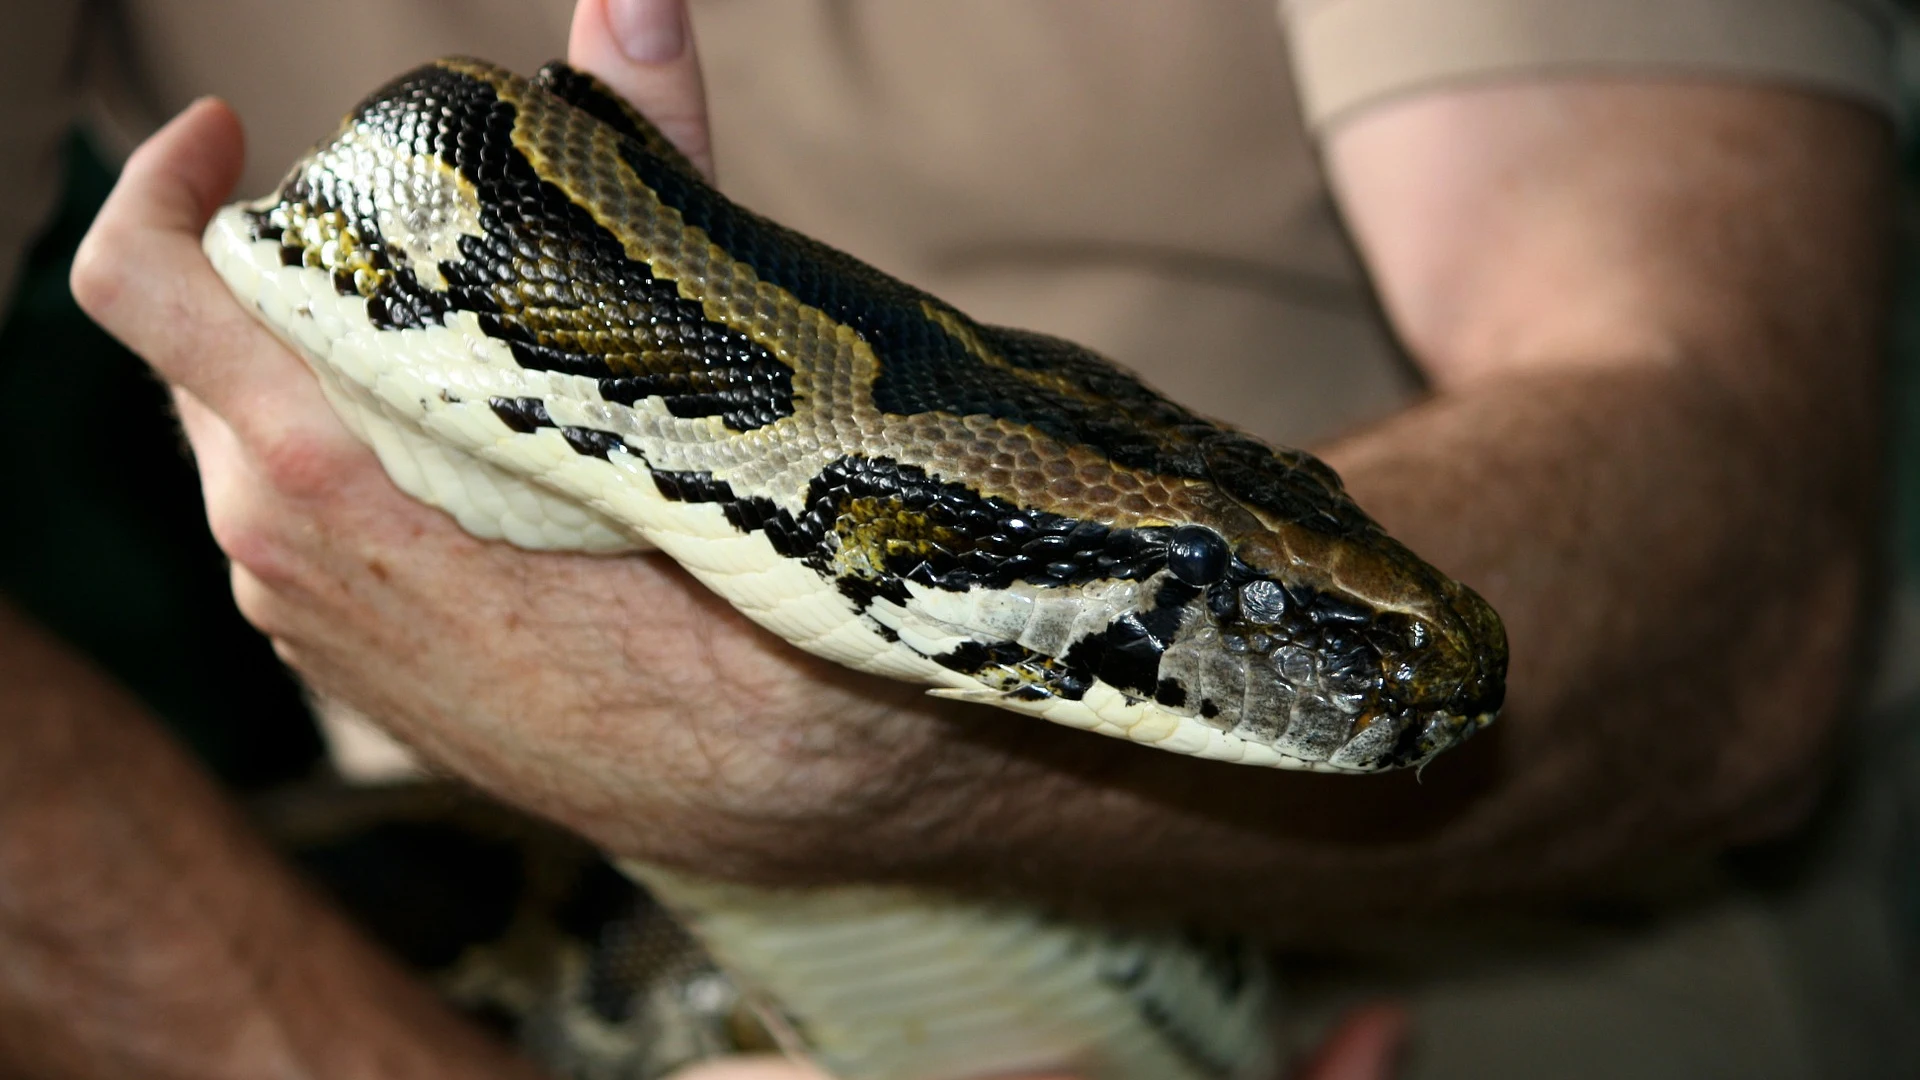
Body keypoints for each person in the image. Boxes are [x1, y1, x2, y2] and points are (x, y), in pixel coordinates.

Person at [4, 0, 1913, 1076]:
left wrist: (807, 771)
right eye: (1192, 592)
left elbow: (1735, 510)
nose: (1378, 647)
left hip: (1532, 952)